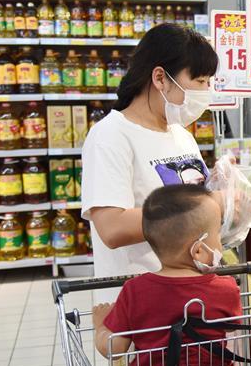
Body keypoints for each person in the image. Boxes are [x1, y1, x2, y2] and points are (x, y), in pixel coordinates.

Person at [81, 23, 218, 298]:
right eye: (200, 82)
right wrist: (206, 207)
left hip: (189, 297)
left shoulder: (180, 134)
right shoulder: (110, 136)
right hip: (139, 310)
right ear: (160, 78)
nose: (206, 91)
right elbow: (112, 227)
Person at [92, 184, 242, 366]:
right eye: (218, 237)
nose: (220, 245)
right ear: (199, 251)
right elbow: (234, 325)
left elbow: (114, 349)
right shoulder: (226, 287)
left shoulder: (135, 291)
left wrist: (101, 326)